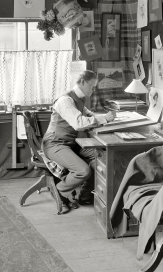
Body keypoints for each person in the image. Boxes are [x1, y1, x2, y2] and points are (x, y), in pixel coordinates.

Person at [42, 71, 116, 209]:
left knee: (101, 159)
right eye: (92, 86)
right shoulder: (65, 100)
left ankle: (86, 194)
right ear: (82, 81)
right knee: (83, 170)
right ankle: (60, 190)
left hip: (70, 143)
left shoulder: (80, 99)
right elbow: (79, 123)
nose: (93, 90)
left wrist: (106, 116)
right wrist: (104, 118)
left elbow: (89, 115)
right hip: (55, 143)